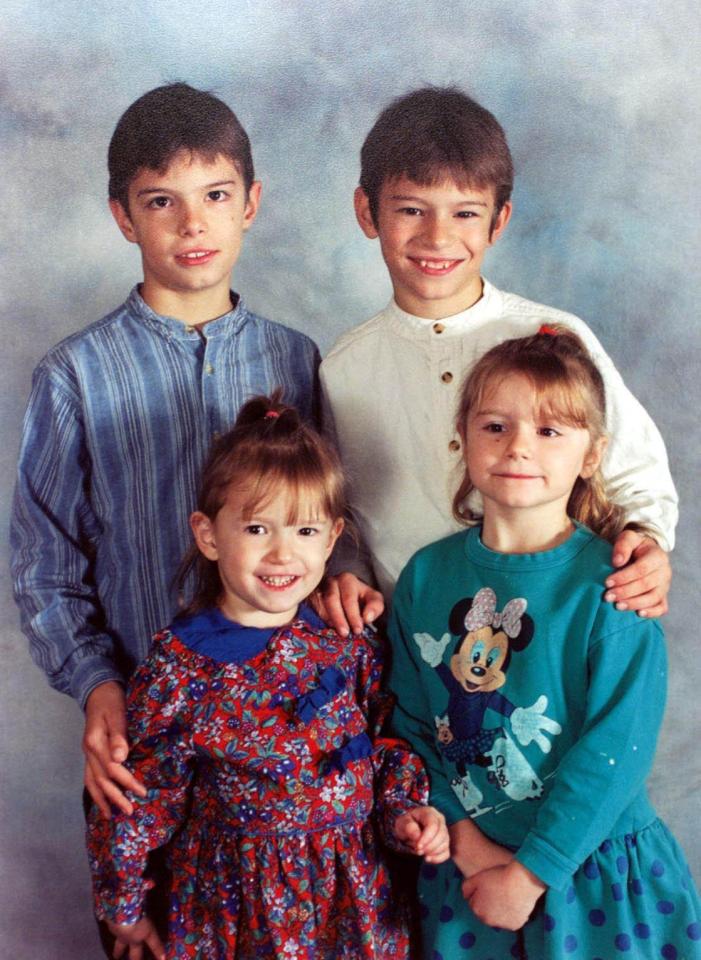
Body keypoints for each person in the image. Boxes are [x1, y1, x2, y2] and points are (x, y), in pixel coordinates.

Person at [10, 82, 380, 825]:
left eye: (214, 195)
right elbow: (43, 567)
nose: (191, 224)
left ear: (250, 202)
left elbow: (333, 511)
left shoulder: (296, 359)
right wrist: (96, 683)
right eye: (159, 202)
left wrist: (343, 573)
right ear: (123, 217)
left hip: (288, 753)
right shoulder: (74, 376)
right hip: (148, 743)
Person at [87, 393, 450, 960]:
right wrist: (124, 907)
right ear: (208, 535)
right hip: (236, 909)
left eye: (305, 532)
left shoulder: (346, 642)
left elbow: (383, 747)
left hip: (353, 900)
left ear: (332, 538)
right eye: (258, 528)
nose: (284, 554)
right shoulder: (180, 668)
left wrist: (406, 812)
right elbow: (140, 801)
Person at [387, 327, 701, 958]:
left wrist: (531, 875)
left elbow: (617, 749)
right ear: (465, 438)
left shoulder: (614, 586)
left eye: (550, 431)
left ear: (592, 454)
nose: (518, 448)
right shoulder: (425, 576)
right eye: (495, 426)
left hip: (591, 875)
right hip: (468, 873)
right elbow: (414, 725)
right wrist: (472, 852)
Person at [320, 86, 676, 619]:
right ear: (367, 213)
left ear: (498, 221)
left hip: (553, 630)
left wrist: (645, 542)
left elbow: (635, 475)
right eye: (412, 209)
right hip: (412, 646)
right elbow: (340, 515)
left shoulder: (554, 336)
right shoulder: (342, 370)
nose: (437, 237)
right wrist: (345, 572)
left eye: (465, 213)